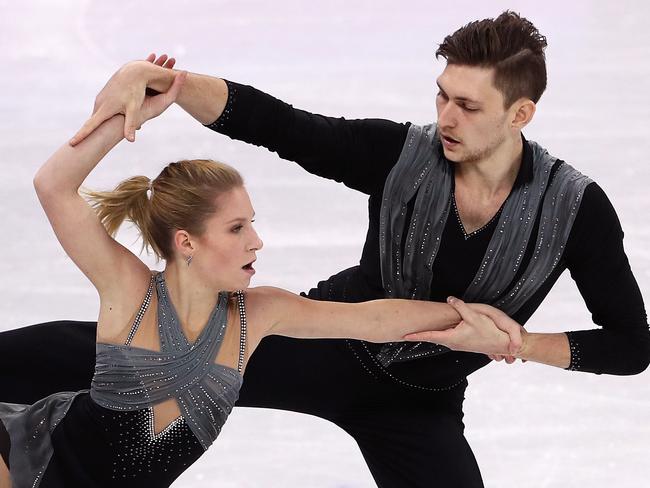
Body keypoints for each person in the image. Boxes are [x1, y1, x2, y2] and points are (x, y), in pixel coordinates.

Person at [1, 10, 648, 487]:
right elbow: (287, 128)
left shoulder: (575, 212)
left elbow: (631, 345)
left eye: (469, 106)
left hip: (421, 400)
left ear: (520, 115)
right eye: (442, 97)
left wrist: (513, 343)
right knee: (133, 352)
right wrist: (164, 84)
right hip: (320, 346)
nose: (446, 118)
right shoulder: (403, 154)